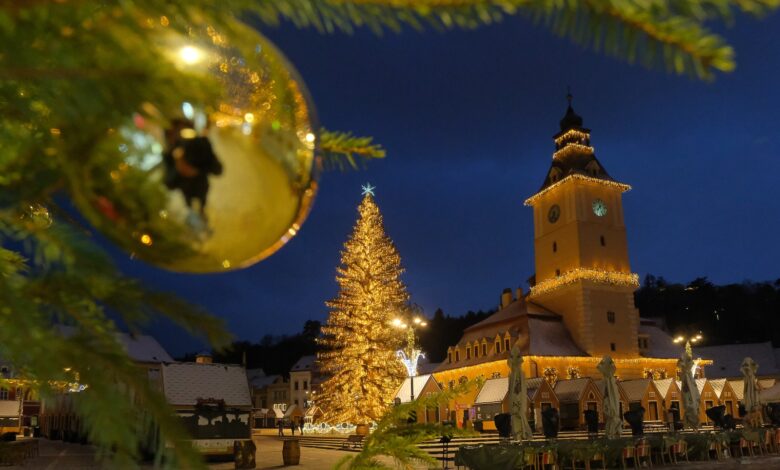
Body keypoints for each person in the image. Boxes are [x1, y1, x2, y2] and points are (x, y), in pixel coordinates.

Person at [163, 118, 223, 219]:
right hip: (186, 189)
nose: (182, 136)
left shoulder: (201, 144)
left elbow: (217, 169)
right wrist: (178, 164)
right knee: (189, 205)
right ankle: (193, 214)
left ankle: (201, 211)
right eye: (177, 132)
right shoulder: (171, 151)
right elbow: (169, 183)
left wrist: (199, 168)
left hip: (201, 186)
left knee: (202, 201)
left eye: (186, 131)